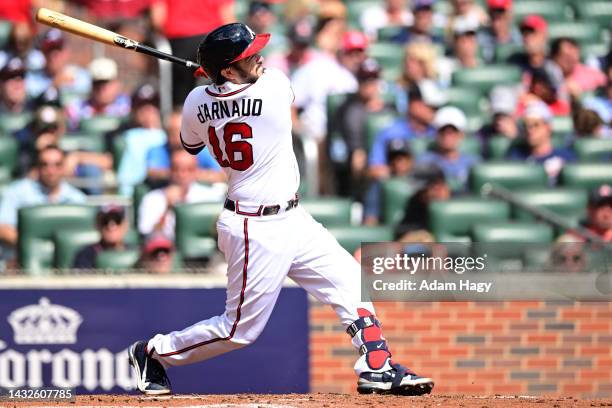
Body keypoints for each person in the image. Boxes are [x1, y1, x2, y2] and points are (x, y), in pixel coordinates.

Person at [127, 22, 434, 397]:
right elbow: (247, 90)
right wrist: (220, 84)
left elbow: (190, 144)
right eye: (246, 56)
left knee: (349, 280)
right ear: (226, 68)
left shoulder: (195, 103)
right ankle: (152, 352)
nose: (258, 57)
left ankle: (377, 367)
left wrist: (213, 89)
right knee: (239, 331)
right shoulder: (274, 87)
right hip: (252, 225)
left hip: (292, 218)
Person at [0, 145, 86, 252]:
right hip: (19, 258)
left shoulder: (77, 199)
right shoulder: (16, 192)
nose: (51, 170)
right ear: (37, 167)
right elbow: (3, 228)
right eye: (45, 164)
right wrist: (34, 248)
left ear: (64, 167)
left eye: (57, 164)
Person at [150, 0, 235, 107]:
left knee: (180, 105)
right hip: (214, 42)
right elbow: (228, 20)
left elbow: (157, 20)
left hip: (180, 43)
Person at [332, 58, 389, 197]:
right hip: (363, 163)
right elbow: (355, 151)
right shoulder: (349, 110)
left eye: (373, 79)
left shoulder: (390, 109)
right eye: (364, 79)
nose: (369, 83)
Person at [138, 149, 225, 240]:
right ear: (169, 170)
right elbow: (148, 237)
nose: (181, 174)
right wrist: (167, 208)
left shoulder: (212, 196)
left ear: (196, 171)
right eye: (176, 169)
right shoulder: (152, 199)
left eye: (188, 169)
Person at [368, 83, 439, 181]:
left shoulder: (437, 133)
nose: (435, 111)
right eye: (431, 106)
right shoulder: (390, 133)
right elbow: (375, 169)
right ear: (413, 104)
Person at [146, 109, 225, 187]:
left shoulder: (204, 150)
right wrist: (176, 174)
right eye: (171, 131)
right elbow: (152, 172)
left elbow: (222, 175)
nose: (175, 136)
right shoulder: (158, 151)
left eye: (179, 131)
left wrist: (191, 174)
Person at [116, 84, 167, 196]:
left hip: (164, 190)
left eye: (152, 105)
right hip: (136, 191)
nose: (148, 110)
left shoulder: (170, 135)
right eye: (141, 106)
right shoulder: (127, 136)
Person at [507, 101, 575, 183]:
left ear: (548, 127)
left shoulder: (566, 157)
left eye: (536, 125)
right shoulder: (516, 157)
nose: (530, 130)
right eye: (526, 125)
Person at [415, 106, 479, 191]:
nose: (447, 136)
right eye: (443, 131)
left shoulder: (473, 163)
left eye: (452, 132)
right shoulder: (424, 162)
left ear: (461, 135)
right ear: (436, 133)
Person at [65, 57, 130, 130]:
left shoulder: (128, 107)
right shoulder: (77, 109)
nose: (101, 88)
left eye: (106, 82)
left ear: (117, 84)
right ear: (91, 84)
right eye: (97, 83)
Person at [25, 29, 90, 101]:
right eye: (50, 49)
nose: (54, 54)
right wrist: (54, 85)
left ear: (67, 52)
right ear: (42, 52)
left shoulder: (82, 77)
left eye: (58, 48)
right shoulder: (32, 79)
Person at [364, 139, 415, 225]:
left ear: (410, 160)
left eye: (402, 158)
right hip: (390, 234)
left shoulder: (423, 180)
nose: (398, 163)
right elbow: (370, 220)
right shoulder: (380, 184)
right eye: (393, 159)